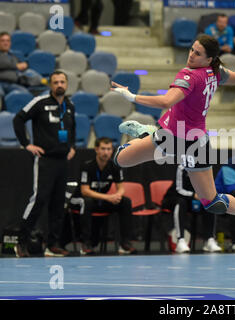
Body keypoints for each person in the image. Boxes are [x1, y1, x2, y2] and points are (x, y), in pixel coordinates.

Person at [111, 34, 235, 254]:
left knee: (212, 203)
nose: (191, 55)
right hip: (174, 137)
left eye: (197, 53)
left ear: (209, 59)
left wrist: (132, 97)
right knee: (119, 160)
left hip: (192, 142)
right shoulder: (215, 70)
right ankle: (146, 133)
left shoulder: (191, 75)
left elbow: (166, 101)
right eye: (192, 49)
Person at [13, 70, 76, 258]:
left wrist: (71, 146)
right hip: (45, 160)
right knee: (39, 200)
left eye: (62, 82)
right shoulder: (40, 102)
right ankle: (21, 242)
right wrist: (26, 144)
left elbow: (72, 128)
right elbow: (18, 119)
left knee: (58, 204)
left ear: (67, 84)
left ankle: (53, 244)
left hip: (63, 161)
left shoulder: (70, 105)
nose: (59, 85)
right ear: (50, 85)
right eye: (56, 82)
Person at [69, 137, 137, 255]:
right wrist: (108, 198)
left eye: (109, 149)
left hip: (101, 200)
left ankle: (125, 243)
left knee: (125, 202)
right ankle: (86, 244)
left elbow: (121, 188)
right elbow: (85, 191)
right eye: (103, 149)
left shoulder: (115, 166)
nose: (106, 152)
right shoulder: (87, 166)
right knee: (87, 202)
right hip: (80, 200)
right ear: (96, 149)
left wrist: (117, 196)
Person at [162, 164, 222, 254]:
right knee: (181, 203)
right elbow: (179, 190)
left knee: (210, 203)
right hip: (177, 197)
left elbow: (209, 187)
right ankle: (181, 240)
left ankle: (209, 240)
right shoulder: (182, 168)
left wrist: (205, 196)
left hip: (196, 199)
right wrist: (194, 195)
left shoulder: (205, 168)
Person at [0, 32, 30, 100]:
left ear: (10, 43)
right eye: (3, 41)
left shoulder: (12, 55)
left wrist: (24, 65)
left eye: (8, 41)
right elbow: (3, 63)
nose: (5, 43)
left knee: (26, 94)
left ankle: (45, 82)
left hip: (12, 83)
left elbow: (23, 66)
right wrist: (16, 66)